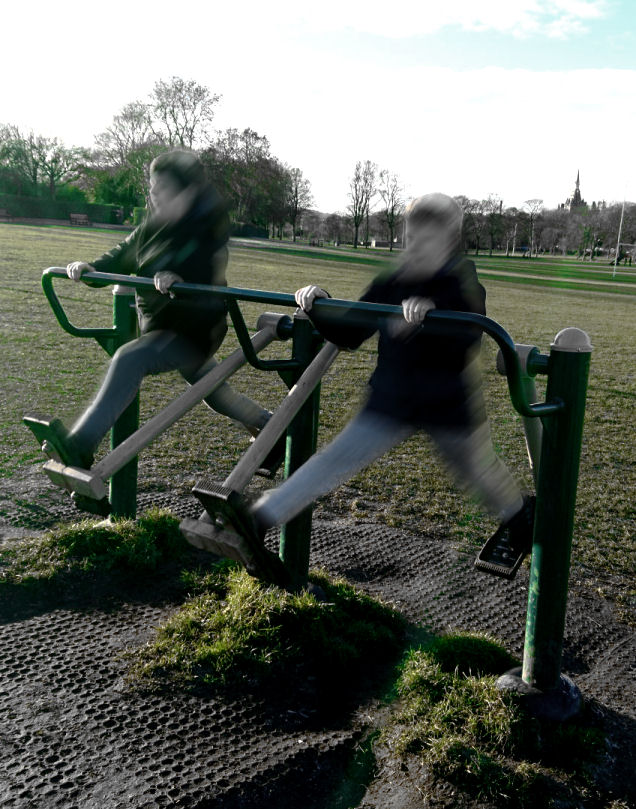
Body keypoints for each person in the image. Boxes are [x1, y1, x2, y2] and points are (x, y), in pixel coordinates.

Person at [192, 192, 534, 580]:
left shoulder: (460, 280)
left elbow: (472, 331)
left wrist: (435, 315)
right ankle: (261, 517)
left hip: (446, 404)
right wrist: (317, 303)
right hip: (391, 399)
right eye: (412, 239)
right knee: (335, 460)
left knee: (477, 471)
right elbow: (350, 331)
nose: (417, 248)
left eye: (429, 241)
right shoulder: (393, 281)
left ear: (450, 242)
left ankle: (519, 517)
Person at [25, 150, 282, 481]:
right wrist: (90, 268)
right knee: (214, 392)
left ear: (187, 193)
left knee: (129, 358)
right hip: (161, 327)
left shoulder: (203, 231)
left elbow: (204, 270)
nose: (154, 195)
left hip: (192, 331)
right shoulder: (150, 228)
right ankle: (269, 426)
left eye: (163, 188)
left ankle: (81, 445)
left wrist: (179, 279)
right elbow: (121, 256)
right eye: (152, 187)